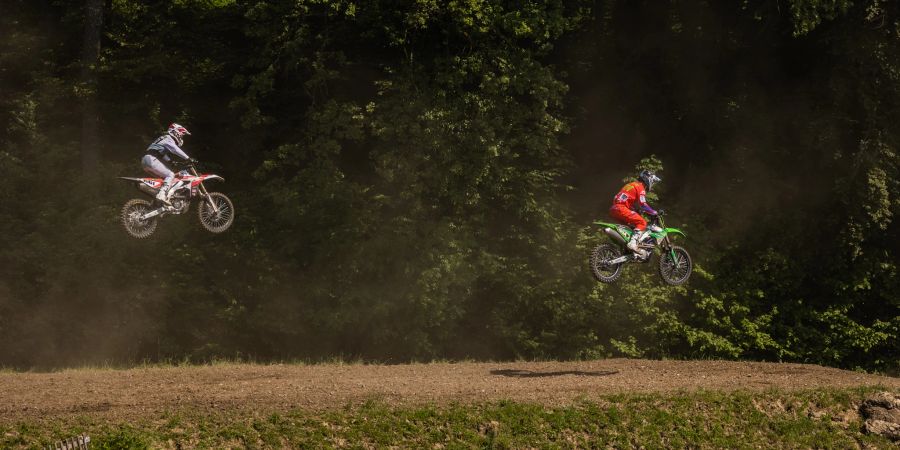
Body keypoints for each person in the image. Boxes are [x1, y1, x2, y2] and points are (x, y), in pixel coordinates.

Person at [609, 169, 662, 257]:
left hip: (614, 208)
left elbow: (621, 199)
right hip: (621, 208)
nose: (652, 184)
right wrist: (654, 212)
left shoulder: (630, 184)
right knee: (642, 223)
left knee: (630, 228)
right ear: (648, 179)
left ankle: (624, 249)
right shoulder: (640, 187)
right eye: (652, 181)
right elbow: (643, 204)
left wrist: (634, 210)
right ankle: (633, 244)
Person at [141, 123, 195, 206]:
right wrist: (188, 158)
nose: (181, 137)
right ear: (177, 132)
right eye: (182, 135)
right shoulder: (168, 138)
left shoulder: (163, 138)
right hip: (151, 159)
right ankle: (161, 195)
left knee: (163, 179)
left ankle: (155, 203)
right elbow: (175, 149)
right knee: (170, 174)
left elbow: (161, 153)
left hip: (145, 160)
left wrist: (170, 161)